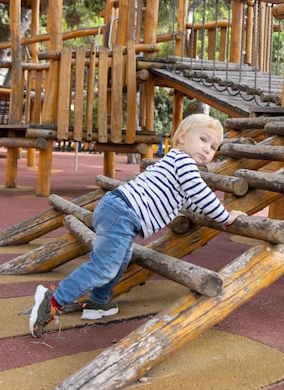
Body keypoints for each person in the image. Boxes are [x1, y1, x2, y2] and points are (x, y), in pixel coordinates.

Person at [29, 113, 246, 337]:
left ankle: (98, 302)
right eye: (203, 139)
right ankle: (52, 301)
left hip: (118, 211)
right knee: (104, 266)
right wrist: (226, 217)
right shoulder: (183, 162)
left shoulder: (176, 164)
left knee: (118, 259)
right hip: (122, 213)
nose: (208, 149)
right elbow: (202, 195)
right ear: (182, 137)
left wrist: (215, 212)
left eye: (213, 146)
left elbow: (195, 203)